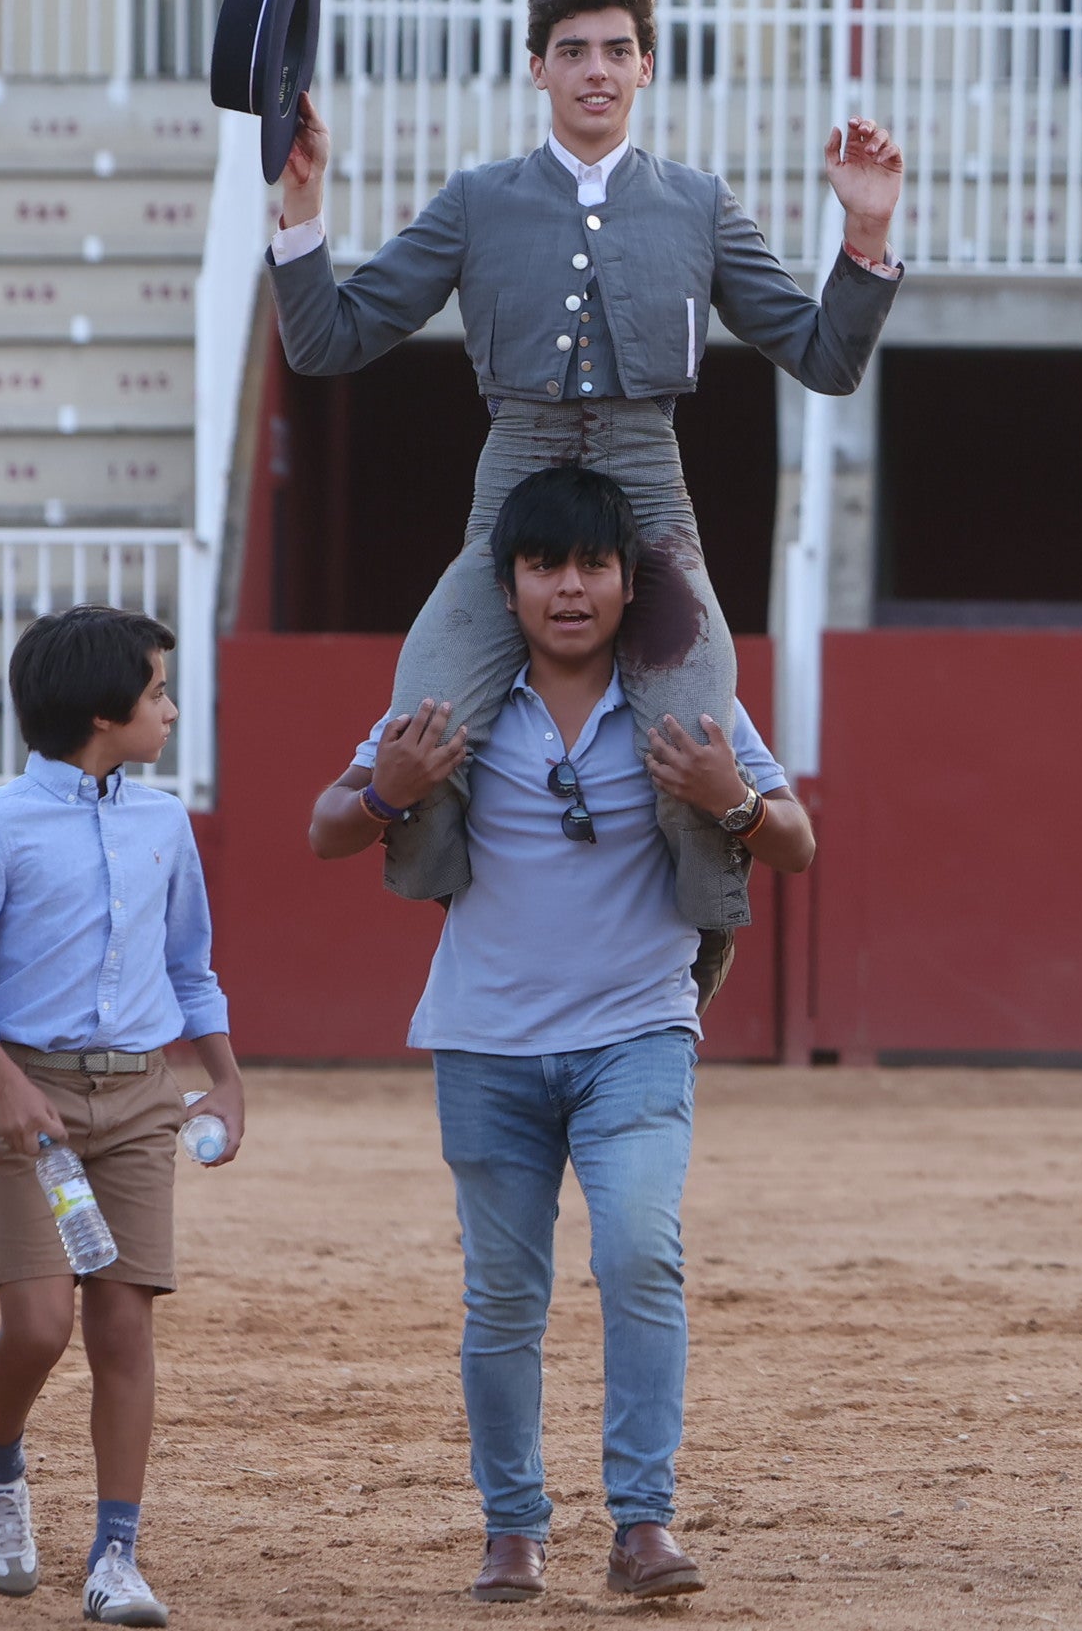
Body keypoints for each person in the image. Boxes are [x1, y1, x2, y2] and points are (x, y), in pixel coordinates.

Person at [271, 0, 897, 1006]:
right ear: (536, 69)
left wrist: (866, 232)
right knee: (426, 705)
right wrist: (304, 202)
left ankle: (701, 939)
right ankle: (458, 912)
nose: (595, 69)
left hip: (649, 486)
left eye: (616, 49)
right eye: (573, 52)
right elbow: (329, 340)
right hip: (511, 478)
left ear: (646, 67)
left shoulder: (697, 203)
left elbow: (825, 358)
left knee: (693, 722)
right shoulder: (478, 200)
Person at [305, 467, 813, 1603]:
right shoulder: (457, 699)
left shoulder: (689, 698)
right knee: (504, 1291)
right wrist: (388, 790)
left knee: (641, 1255)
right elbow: (327, 825)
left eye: (591, 566)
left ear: (633, 583)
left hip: (637, 1029)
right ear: (508, 584)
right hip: (487, 1040)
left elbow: (794, 841)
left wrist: (732, 798)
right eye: (545, 566)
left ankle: (642, 1521)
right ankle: (513, 1525)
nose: (569, 588)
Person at [0, 606, 242, 1628]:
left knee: (122, 1323)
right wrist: (5, 1081)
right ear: (108, 711)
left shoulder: (164, 822)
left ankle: (116, 1551)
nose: (171, 707)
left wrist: (224, 1076)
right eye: (158, 692)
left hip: (145, 1097)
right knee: (38, 1322)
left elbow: (190, 962)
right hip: (32, 1100)